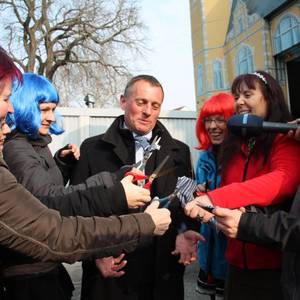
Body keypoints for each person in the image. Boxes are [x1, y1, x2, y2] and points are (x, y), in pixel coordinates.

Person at [0, 47, 171, 292]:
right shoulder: (25, 149)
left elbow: (39, 189)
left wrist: (62, 164)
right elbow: (52, 211)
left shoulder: (37, 146)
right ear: (123, 101)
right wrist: (114, 188)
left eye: (155, 105)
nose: (51, 116)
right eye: (44, 109)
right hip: (35, 278)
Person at [71, 74, 199, 300]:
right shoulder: (93, 150)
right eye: (141, 102)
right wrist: (94, 254)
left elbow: (186, 203)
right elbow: (78, 212)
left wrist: (185, 231)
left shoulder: (179, 152)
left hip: (163, 275)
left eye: (155, 105)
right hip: (113, 275)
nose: (148, 111)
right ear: (123, 101)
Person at [185, 71, 300, 300]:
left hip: (274, 270)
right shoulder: (234, 147)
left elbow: (282, 182)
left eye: (247, 94)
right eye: (236, 96)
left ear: (269, 98)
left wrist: (216, 198)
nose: (239, 101)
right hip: (234, 267)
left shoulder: (285, 140)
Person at [194, 93, 234, 299]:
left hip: (233, 253)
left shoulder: (241, 157)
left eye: (220, 119)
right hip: (208, 249)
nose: (213, 126)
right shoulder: (203, 160)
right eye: (208, 120)